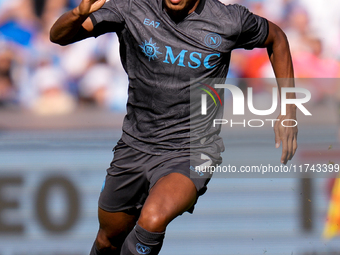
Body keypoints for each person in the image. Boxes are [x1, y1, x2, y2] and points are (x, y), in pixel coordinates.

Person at [50, 0, 298, 254]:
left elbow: (276, 38)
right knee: (108, 239)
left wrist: (289, 110)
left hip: (192, 150)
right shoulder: (132, 7)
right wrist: (77, 13)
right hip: (135, 146)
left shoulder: (228, 20)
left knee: (152, 220)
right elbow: (58, 36)